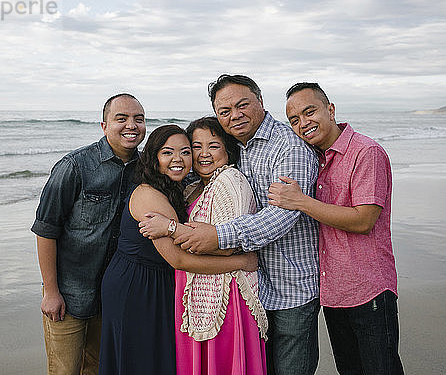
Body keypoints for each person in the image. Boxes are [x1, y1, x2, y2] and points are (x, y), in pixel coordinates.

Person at [172, 75, 321, 374]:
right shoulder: (243, 148)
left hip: (291, 286)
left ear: (261, 101)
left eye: (242, 105)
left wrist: (218, 236)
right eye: (224, 111)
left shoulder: (288, 147)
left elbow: (281, 216)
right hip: (257, 285)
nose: (234, 115)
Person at [98, 125, 258, 375]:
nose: (178, 160)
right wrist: (240, 262)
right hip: (136, 286)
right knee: (139, 360)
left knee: (156, 359)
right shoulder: (150, 196)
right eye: (167, 153)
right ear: (153, 157)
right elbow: (180, 259)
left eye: (185, 152)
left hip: (155, 282)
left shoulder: (178, 188)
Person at [268, 82, 404, 374]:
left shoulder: (366, 152)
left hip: (368, 288)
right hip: (333, 292)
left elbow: (363, 220)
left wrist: (300, 201)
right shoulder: (314, 158)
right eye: (294, 120)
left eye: (309, 112)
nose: (303, 123)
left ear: (330, 110)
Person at [138, 117, 268, 375]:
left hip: (226, 294)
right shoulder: (197, 186)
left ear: (227, 149)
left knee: (224, 364)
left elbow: (230, 244)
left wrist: (170, 228)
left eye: (214, 146)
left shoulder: (230, 181)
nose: (204, 154)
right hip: (202, 286)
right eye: (196, 147)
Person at [31, 94, 146, 374]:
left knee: (98, 367)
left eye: (139, 119)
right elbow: (46, 229)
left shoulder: (145, 170)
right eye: (122, 118)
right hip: (69, 295)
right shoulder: (75, 166)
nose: (132, 125)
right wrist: (51, 291)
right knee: (65, 369)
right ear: (104, 125)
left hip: (113, 296)